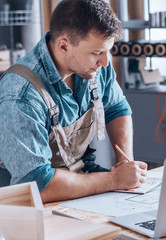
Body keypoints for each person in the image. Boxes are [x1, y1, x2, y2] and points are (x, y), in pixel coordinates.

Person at [0, 0, 147, 203]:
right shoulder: (21, 95)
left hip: (81, 179)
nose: (105, 62)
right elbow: (36, 184)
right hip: (27, 200)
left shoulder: (95, 68)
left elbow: (116, 108)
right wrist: (113, 179)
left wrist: (125, 164)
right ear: (63, 46)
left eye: (107, 51)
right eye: (96, 53)